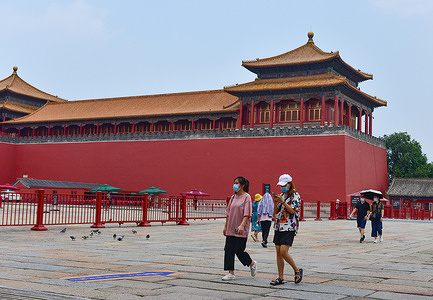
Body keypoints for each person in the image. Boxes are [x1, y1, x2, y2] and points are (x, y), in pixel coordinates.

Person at [222, 176, 257, 281]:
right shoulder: (233, 197)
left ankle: (252, 263)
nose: (235, 185)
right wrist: (225, 226)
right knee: (228, 249)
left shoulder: (247, 197)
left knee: (239, 250)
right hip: (231, 227)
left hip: (240, 227)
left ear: (242, 186)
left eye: (237, 183)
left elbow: (247, 214)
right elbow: (228, 213)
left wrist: (242, 225)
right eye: (234, 183)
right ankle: (230, 272)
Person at [270, 174, 303, 286]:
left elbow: (293, 211)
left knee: (284, 251)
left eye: (284, 185)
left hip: (289, 226)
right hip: (279, 225)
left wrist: (283, 202)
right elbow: (276, 211)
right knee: (278, 252)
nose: (282, 187)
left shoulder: (295, 196)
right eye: (281, 185)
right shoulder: (281, 195)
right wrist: (275, 201)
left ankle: (297, 270)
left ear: (290, 184)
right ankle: (280, 277)